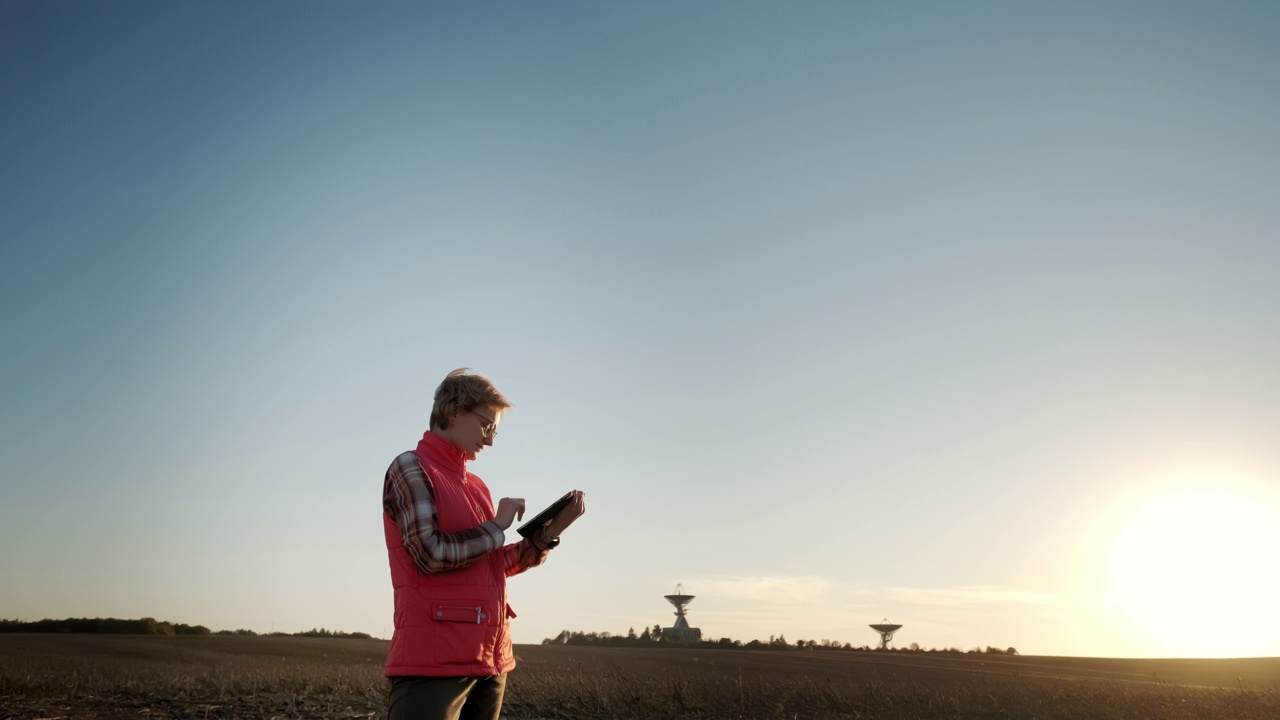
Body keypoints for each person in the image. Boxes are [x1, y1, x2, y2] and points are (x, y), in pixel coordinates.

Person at [381, 368, 585, 720]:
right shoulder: (411, 468)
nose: (490, 440)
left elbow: (491, 565)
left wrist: (550, 533)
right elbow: (429, 554)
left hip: (492, 661)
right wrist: (497, 525)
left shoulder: (476, 486)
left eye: (496, 430)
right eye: (487, 425)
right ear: (455, 410)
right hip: (436, 662)